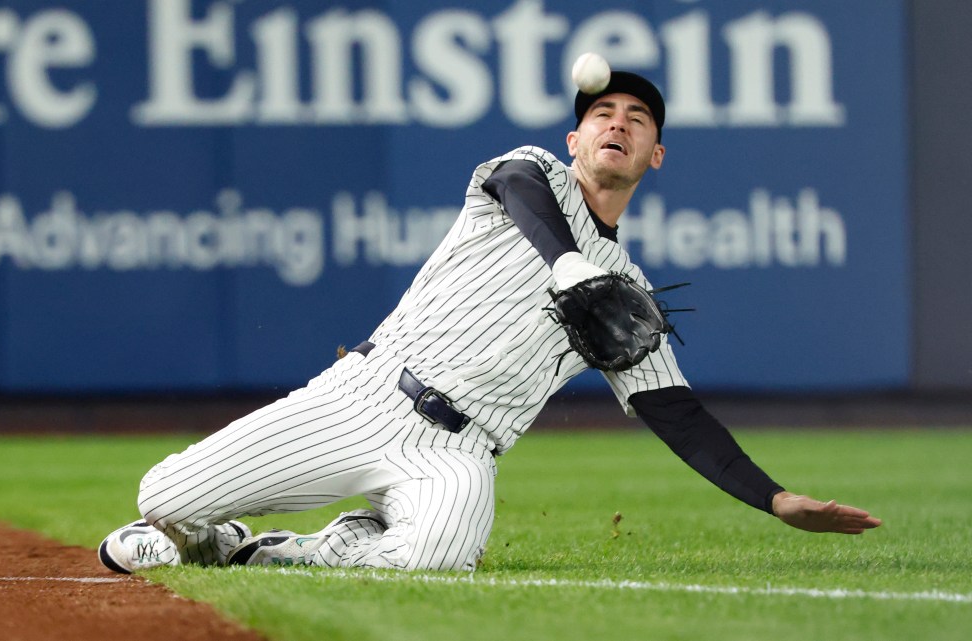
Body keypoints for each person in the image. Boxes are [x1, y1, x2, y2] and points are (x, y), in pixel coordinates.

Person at [98, 71, 882, 575]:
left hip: (462, 451)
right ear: (576, 139)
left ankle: (293, 552)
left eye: (637, 118)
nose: (618, 122)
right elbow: (521, 189)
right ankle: (206, 541)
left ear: (656, 156)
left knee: (438, 556)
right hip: (365, 396)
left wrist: (775, 499)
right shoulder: (531, 173)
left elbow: (674, 410)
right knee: (163, 490)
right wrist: (571, 265)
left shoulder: (629, 292)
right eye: (602, 112)